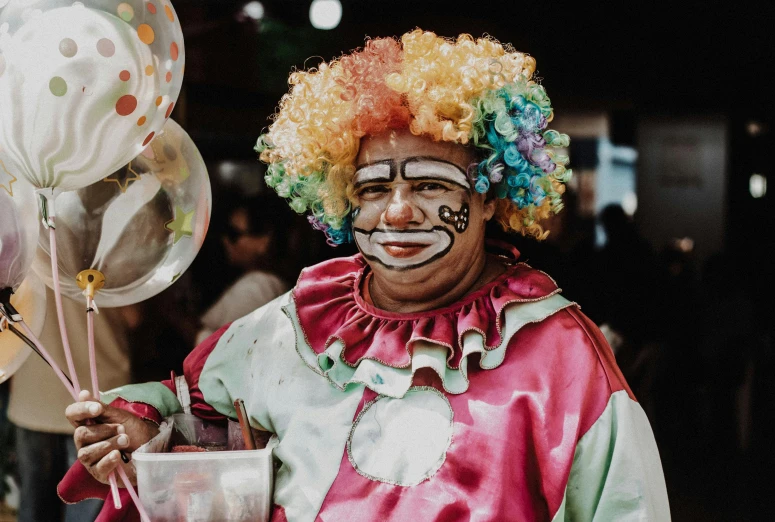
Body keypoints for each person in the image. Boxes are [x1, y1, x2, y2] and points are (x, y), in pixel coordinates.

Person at [59, 30, 670, 521]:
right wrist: (140, 432)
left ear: (490, 197)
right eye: (374, 187)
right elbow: (192, 410)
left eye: (431, 184)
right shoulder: (294, 324)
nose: (398, 211)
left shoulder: (561, 357)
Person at [8, 286, 132, 522]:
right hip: (99, 396)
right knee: (88, 511)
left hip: (33, 393)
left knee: (34, 508)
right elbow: (132, 316)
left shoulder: (22, 252)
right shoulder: (109, 250)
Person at [196, 194, 290, 344]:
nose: (225, 240)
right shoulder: (261, 282)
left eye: (234, 234)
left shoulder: (258, 287)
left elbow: (218, 349)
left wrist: (169, 311)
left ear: (264, 240)